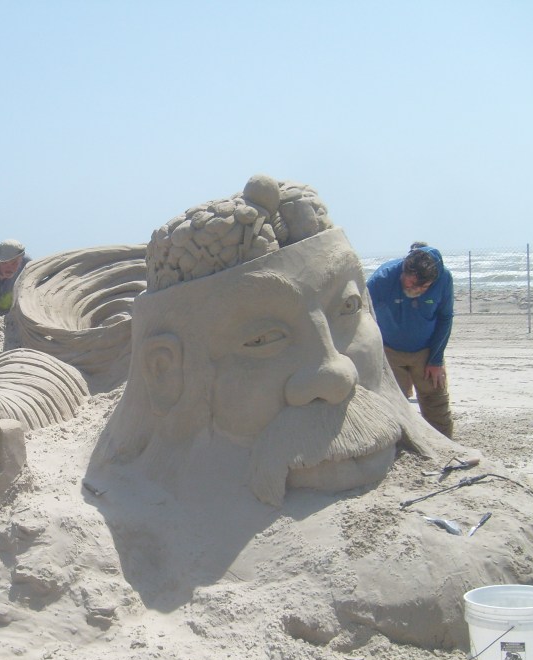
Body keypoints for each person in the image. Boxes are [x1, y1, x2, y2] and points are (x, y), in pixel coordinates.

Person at [94, 174, 459, 508]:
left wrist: (436, 357)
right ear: (164, 370)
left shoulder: (438, 283)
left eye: (347, 307)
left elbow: (444, 316)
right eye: (263, 338)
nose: (338, 374)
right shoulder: (387, 278)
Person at [366, 243, 454, 437]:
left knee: (436, 402)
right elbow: (363, 316)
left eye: (423, 287)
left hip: (426, 351)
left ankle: (445, 445)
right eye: (410, 283)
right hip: (389, 351)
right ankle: (398, 447)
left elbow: (446, 318)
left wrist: (436, 360)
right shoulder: (381, 280)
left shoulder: (444, 279)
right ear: (404, 269)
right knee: (393, 404)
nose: (416, 289)